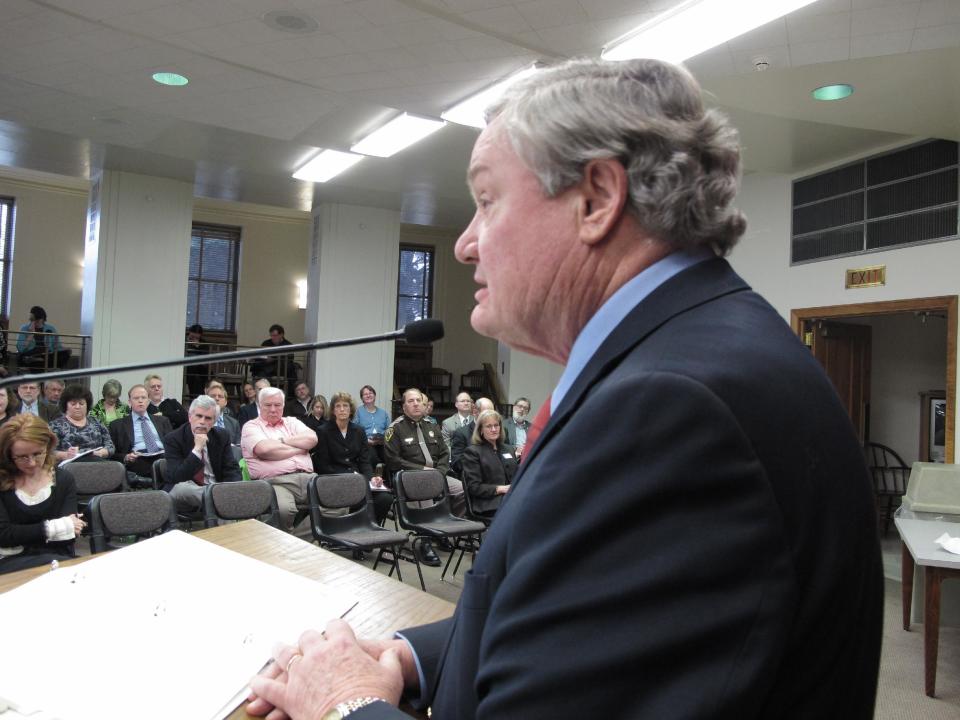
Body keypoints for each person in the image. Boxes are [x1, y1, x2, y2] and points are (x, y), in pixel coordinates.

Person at [248, 58, 883, 720]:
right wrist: (410, 658)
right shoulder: (692, 356)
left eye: (488, 199)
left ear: (596, 199)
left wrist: (345, 704)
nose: (466, 243)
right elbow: (591, 630)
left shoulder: (670, 412)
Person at [383, 388, 461, 566]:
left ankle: (440, 530)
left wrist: (439, 473)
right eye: (411, 401)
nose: (416, 403)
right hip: (410, 478)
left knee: (462, 491)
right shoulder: (395, 429)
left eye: (418, 400)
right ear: (404, 407)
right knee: (425, 494)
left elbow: (443, 453)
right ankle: (424, 542)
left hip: (436, 475)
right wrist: (422, 470)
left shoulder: (431, 425)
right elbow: (393, 461)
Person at [0, 414, 84, 574]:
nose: (31, 463)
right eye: (22, 457)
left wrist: (21, 534)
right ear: (9, 455)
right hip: (10, 565)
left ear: (48, 446)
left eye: (38, 454)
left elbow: (70, 534)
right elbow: (3, 534)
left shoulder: (63, 479)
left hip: (56, 560)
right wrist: (55, 527)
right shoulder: (2, 481)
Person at [241, 386, 317, 531]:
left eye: (277, 405)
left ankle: (297, 541)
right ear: (259, 405)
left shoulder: (292, 422)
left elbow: (312, 438)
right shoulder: (251, 427)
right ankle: (297, 543)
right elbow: (264, 449)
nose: (273, 409)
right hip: (276, 482)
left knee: (339, 501)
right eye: (268, 405)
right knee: (283, 511)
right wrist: (299, 448)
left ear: (283, 406)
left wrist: (282, 442)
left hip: (309, 479)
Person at [313, 391, 393, 526]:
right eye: (338, 406)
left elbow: (365, 461)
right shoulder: (323, 431)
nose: (342, 409)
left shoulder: (359, 431)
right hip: (335, 479)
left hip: (359, 479)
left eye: (345, 406)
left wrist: (371, 478)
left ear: (351, 410)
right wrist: (351, 476)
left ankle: (372, 529)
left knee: (385, 498)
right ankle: (356, 529)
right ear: (333, 410)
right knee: (359, 498)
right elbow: (322, 465)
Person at [162, 395, 242, 512]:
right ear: (190, 417)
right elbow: (176, 477)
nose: (202, 422)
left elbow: (231, 469)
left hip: (215, 486)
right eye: (199, 416)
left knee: (228, 495)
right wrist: (197, 450)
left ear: (214, 422)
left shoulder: (221, 436)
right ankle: (220, 499)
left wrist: (232, 488)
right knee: (183, 488)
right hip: (185, 488)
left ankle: (220, 502)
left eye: (208, 418)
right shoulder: (173, 439)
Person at [109, 384, 172, 487]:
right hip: (138, 461)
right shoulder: (117, 425)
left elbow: (173, 444)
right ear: (129, 402)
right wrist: (126, 457)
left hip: (163, 459)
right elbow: (112, 454)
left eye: (143, 398)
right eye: (136, 398)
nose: (140, 401)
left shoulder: (162, 421)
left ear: (148, 401)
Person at [459, 409, 516, 517]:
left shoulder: (508, 449)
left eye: (496, 425)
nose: (494, 429)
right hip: (489, 503)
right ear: (481, 430)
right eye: (489, 426)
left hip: (512, 498)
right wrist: (500, 489)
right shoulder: (473, 452)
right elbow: (474, 487)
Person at [49, 385, 114, 462]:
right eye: (73, 404)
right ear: (66, 405)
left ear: (87, 405)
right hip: (70, 466)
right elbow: (49, 452)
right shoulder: (55, 425)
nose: (77, 407)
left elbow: (110, 446)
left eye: (81, 403)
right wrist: (66, 454)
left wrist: (101, 453)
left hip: (98, 463)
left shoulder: (96, 422)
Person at [449, 397, 494, 477]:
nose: (491, 416)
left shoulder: (497, 431)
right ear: (475, 412)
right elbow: (457, 463)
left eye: (492, 412)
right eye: (486, 413)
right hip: (473, 477)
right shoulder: (461, 433)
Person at [14, 305, 64, 370]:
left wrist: (64, 350)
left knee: (64, 354)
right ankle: (38, 361)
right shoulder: (24, 328)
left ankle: (41, 361)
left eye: (36, 320)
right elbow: (20, 349)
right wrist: (31, 335)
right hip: (30, 354)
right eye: (32, 320)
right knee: (38, 359)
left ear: (42, 319)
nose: (34, 322)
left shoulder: (51, 329)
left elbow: (57, 346)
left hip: (47, 355)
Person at [249, 324, 297, 388]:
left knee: (265, 371)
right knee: (258, 366)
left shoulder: (288, 345)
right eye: (271, 335)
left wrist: (274, 359)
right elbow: (260, 355)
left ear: (281, 335)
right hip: (266, 366)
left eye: (275, 335)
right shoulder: (266, 343)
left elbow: (289, 360)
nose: (272, 338)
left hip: (281, 369)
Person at [353, 385, 390, 465]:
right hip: (365, 443)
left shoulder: (383, 413)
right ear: (362, 398)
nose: (368, 395)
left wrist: (383, 440)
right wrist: (367, 441)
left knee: (390, 457)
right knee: (372, 457)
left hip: (382, 443)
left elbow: (389, 431)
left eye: (371, 393)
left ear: (375, 395)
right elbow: (353, 431)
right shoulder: (358, 412)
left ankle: (388, 477)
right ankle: (373, 476)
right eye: (365, 394)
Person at [184, 323, 209, 398]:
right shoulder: (184, 339)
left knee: (197, 378)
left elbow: (205, 357)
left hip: (200, 369)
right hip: (187, 368)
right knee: (194, 376)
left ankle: (197, 398)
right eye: (193, 335)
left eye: (197, 335)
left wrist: (197, 347)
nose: (194, 337)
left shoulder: (203, 343)